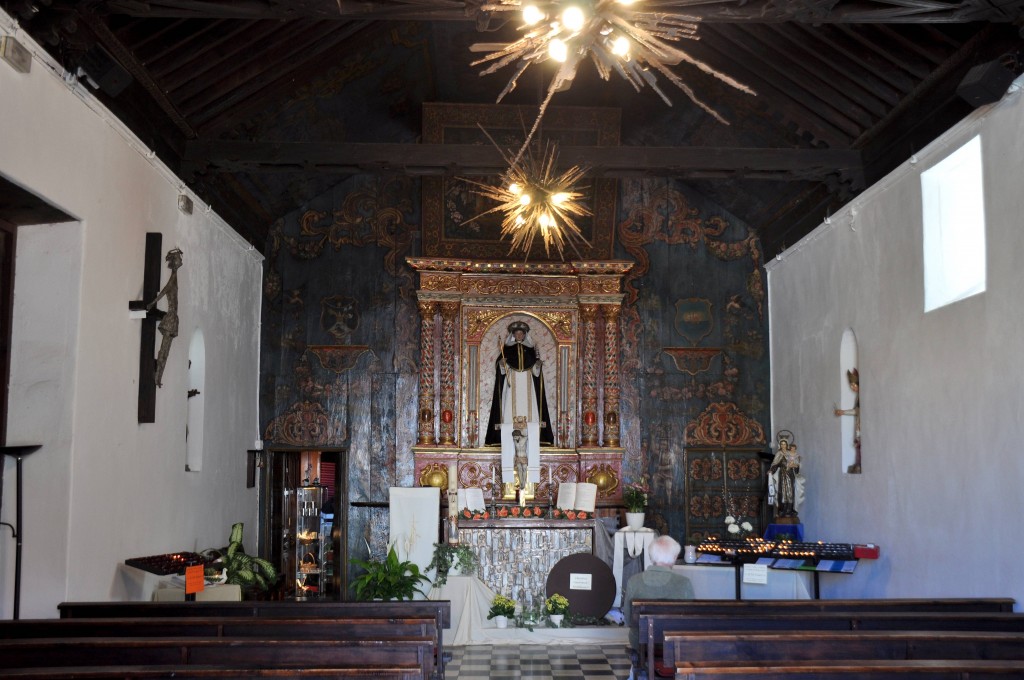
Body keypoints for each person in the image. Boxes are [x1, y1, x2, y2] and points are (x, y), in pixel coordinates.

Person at [485, 320, 554, 447]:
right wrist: (502, 363)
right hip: (513, 382)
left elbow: (535, 372)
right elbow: (501, 369)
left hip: (527, 383)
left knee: (530, 406)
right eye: (517, 334)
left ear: (524, 335)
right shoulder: (507, 350)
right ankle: (508, 435)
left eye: (521, 334)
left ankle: (532, 435)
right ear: (513, 335)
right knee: (510, 406)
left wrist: (537, 365)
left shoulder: (530, 350)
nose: (519, 336)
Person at [622, 535, 694, 653]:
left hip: (641, 641)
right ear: (675, 557)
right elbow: (690, 620)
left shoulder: (634, 581)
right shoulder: (684, 583)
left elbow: (629, 620)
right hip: (675, 643)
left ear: (651, 557)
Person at [147, 248, 182, 388]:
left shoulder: (175, 277)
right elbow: (163, 292)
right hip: (171, 317)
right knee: (164, 349)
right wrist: (151, 303)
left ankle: (159, 375)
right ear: (174, 262)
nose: (180, 261)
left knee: (166, 350)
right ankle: (157, 376)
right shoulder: (172, 278)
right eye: (178, 258)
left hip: (174, 318)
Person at [768, 433, 804, 519]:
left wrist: (796, 466)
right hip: (783, 475)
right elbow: (775, 464)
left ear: (787, 445)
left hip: (790, 475)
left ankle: (790, 510)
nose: (783, 445)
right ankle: (782, 511)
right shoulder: (779, 454)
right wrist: (771, 471)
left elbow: (796, 465)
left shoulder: (791, 454)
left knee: (790, 492)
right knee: (782, 492)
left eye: (784, 444)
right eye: (781, 444)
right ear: (780, 445)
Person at [834, 368, 861, 473]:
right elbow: (856, 411)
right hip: (859, 423)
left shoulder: (862, 396)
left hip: (861, 424)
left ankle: (859, 464)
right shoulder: (858, 397)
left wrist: (843, 412)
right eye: (851, 386)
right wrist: (843, 412)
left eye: (854, 385)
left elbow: (857, 411)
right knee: (858, 445)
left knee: (860, 445)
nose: (853, 388)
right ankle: (858, 463)